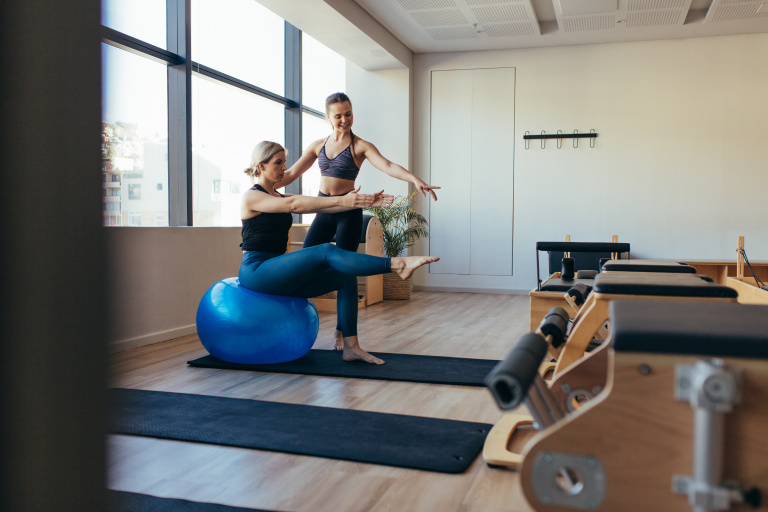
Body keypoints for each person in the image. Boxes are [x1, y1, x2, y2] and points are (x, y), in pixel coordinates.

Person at [239, 141, 439, 365]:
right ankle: (396, 265)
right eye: (278, 163)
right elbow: (295, 205)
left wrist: (362, 202)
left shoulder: (277, 196)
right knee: (325, 250)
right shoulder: (252, 197)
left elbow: (325, 207)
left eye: (285, 162)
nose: (284, 168)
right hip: (256, 271)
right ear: (261, 165)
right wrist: (343, 199)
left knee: (344, 277)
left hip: (278, 272)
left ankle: (351, 347)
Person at [275, 92, 440, 346]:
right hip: (324, 210)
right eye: (338, 115)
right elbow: (290, 175)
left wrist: (415, 180)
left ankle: (342, 331)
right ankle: (291, 320)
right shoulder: (318, 145)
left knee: (346, 270)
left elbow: (387, 165)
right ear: (328, 117)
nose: (344, 120)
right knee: (304, 263)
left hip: (348, 214)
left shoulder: (360, 146)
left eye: (348, 114)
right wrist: (262, 180)